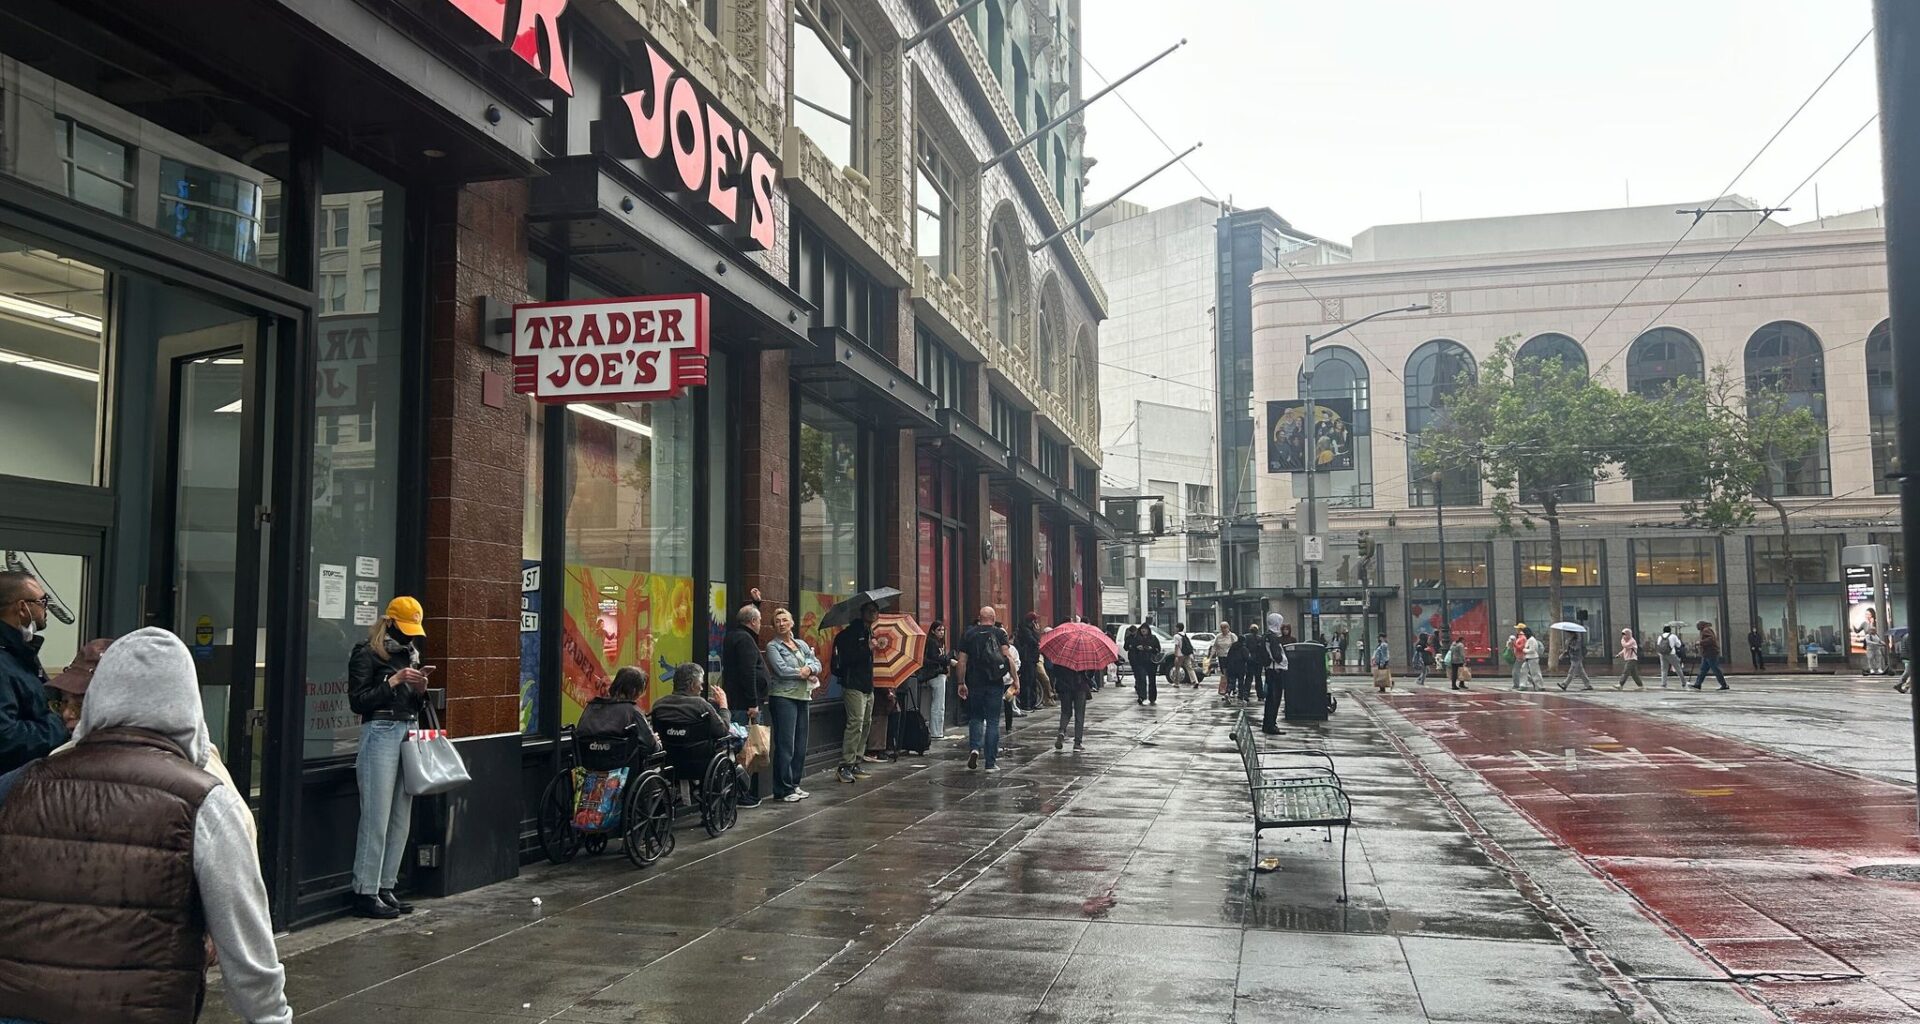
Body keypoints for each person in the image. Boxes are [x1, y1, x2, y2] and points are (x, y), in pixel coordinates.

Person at [0, 627, 293, 1024]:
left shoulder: (25, 782)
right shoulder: (206, 799)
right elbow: (246, 941)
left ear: (99, 696)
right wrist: (270, 1016)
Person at [345, 596, 431, 920]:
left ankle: (385, 886)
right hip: (380, 731)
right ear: (390, 622)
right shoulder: (366, 653)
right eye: (405, 629)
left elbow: (414, 705)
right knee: (376, 816)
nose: (409, 636)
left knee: (400, 816)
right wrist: (393, 681)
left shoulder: (410, 653)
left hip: (408, 729)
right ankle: (365, 890)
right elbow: (358, 701)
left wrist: (420, 690)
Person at [0, 570, 67, 776]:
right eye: (42, 601)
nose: (46, 608)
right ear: (22, 608)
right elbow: (6, 738)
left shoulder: (19, 652)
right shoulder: (4, 660)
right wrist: (63, 724)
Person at [764, 609, 822, 802]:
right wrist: (802, 673)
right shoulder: (773, 646)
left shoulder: (801, 644)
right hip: (783, 697)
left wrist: (810, 668)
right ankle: (783, 789)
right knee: (785, 744)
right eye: (777, 621)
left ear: (792, 623)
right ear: (774, 626)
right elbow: (781, 670)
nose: (781, 624)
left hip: (803, 696)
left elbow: (817, 663)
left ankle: (795, 783)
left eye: (784, 620)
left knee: (800, 744)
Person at [720, 604, 770, 806]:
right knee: (744, 751)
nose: (760, 624)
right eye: (759, 620)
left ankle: (739, 791)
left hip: (736, 701)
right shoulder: (745, 640)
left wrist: (755, 603)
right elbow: (748, 672)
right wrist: (753, 703)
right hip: (744, 704)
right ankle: (740, 792)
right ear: (753, 621)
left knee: (740, 749)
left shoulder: (734, 636)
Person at [955, 606, 1013, 771]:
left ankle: (974, 748)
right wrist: (1015, 680)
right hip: (994, 682)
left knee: (976, 718)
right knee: (993, 721)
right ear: (993, 618)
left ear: (979, 618)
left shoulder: (969, 634)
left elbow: (962, 661)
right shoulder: (999, 633)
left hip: (975, 683)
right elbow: (1007, 657)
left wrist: (961, 683)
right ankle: (990, 763)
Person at [831, 602, 879, 784]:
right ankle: (845, 765)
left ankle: (856, 762)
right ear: (861, 612)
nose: (873, 614)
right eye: (870, 611)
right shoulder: (850, 634)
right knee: (855, 724)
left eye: (876, 611)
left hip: (867, 685)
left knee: (866, 723)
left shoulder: (869, 633)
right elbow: (848, 659)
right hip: (853, 685)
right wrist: (867, 648)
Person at [577, 666, 661, 760]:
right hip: (622, 767)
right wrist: (656, 741)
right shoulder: (632, 711)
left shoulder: (591, 707)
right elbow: (651, 747)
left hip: (589, 763)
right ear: (635, 691)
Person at [916, 621, 953, 740]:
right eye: (939, 630)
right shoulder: (933, 642)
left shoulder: (937, 642)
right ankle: (936, 732)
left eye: (943, 630)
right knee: (938, 705)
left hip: (934, 675)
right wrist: (948, 660)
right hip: (936, 674)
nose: (941, 633)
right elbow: (936, 658)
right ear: (933, 631)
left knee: (934, 704)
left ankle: (935, 730)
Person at [1258, 613, 1291, 734]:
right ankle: (1271, 725)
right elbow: (1276, 655)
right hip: (1275, 670)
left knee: (1271, 699)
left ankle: (1268, 724)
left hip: (1270, 670)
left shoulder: (1266, 636)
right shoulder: (1273, 637)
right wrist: (1282, 660)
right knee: (1274, 698)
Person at [1053, 663, 1091, 752]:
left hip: (1064, 686)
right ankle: (1077, 743)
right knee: (1079, 715)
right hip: (1080, 685)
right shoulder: (1084, 657)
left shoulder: (1062, 657)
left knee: (1065, 712)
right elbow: (1090, 672)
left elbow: (1055, 671)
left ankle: (1062, 731)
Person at [1126, 618, 1162, 706]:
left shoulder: (1153, 638)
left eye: (1145, 629)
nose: (1143, 631)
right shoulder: (1137, 638)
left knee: (1152, 680)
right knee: (1142, 679)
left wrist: (1151, 649)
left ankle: (1152, 697)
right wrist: (1137, 648)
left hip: (1151, 662)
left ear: (1148, 630)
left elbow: (1158, 649)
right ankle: (1142, 696)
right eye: (1142, 629)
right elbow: (1131, 648)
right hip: (1140, 661)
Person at [1015, 612, 1042, 714]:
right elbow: (1034, 641)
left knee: (1032, 681)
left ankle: (1032, 703)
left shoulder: (1028, 629)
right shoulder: (1025, 630)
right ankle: (1026, 704)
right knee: (1027, 681)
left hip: (1032, 659)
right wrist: (1037, 631)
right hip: (1027, 659)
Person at [1691, 621, 1728, 690]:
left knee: (1715, 669)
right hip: (1707, 654)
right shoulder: (1704, 630)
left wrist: (1700, 642)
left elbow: (1711, 639)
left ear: (1701, 625)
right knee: (1703, 670)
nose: (1697, 627)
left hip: (1710, 653)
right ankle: (1698, 684)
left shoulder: (1706, 630)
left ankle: (1724, 685)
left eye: (1697, 626)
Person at [1214, 623, 1239, 699]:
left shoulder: (1232, 636)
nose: (1223, 629)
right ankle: (1230, 689)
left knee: (1230, 674)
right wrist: (1210, 656)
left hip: (1230, 658)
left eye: (1225, 627)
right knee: (1224, 674)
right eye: (1222, 628)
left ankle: (1229, 690)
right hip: (1221, 657)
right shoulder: (1218, 636)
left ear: (1228, 628)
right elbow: (1215, 646)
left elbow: (1237, 646)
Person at [1170, 622, 1194, 688]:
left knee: (1177, 668)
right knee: (1189, 667)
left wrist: (1176, 655)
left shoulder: (1176, 636)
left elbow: (1176, 646)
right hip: (1187, 653)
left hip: (1180, 654)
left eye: (1176, 627)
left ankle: (1176, 683)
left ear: (1178, 628)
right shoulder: (1185, 635)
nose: (1175, 628)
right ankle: (1195, 681)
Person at [1505, 623, 1528, 691]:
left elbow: (1521, 648)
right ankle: (1532, 681)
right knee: (1522, 671)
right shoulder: (1520, 637)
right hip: (1518, 656)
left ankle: (1516, 685)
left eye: (1517, 628)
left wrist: (1514, 643)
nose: (1516, 630)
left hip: (1521, 657)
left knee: (1515, 671)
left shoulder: (1523, 638)